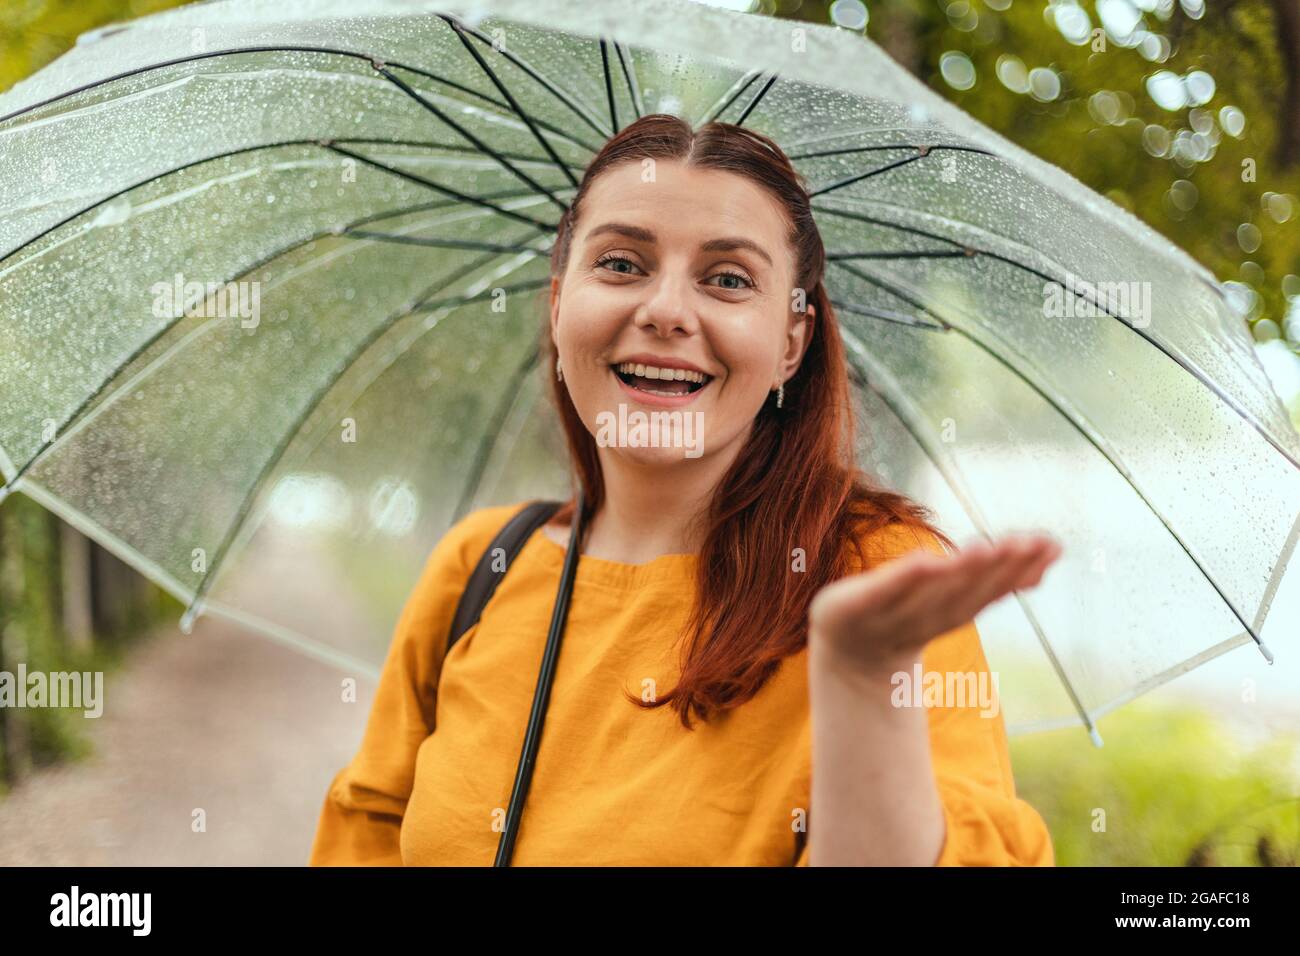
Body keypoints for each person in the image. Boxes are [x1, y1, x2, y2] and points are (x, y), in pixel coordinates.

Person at [309, 114, 1060, 866]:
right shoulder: (479, 565)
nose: (666, 311)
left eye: (728, 279)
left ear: (790, 344)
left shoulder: (878, 580)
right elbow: (364, 834)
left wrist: (864, 676)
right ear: (559, 305)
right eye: (621, 264)